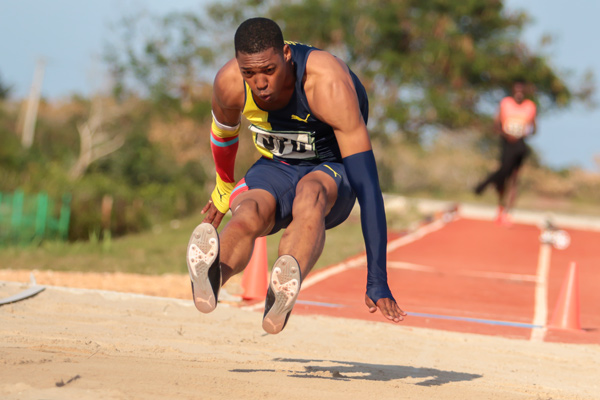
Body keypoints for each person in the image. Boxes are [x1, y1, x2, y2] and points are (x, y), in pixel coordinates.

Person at [186, 17, 405, 334]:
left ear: (286, 55)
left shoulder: (326, 82)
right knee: (248, 209)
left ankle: (284, 285)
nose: (259, 83)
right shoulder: (229, 82)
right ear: (238, 65)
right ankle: (213, 274)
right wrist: (223, 188)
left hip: (332, 171)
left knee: (310, 193)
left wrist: (377, 277)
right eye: (249, 73)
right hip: (277, 165)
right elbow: (223, 136)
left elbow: (368, 187)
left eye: (269, 71)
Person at [474, 80, 537, 226]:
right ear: (513, 91)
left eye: (522, 90)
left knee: (514, 177)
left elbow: (534, 127)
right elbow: (496, 123)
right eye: (517, 90)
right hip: (506, 142)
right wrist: (506, 134)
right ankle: (499, 205)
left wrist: (523, 133)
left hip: (520, 143)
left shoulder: (530, 106)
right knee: (503, 173)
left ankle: (508, 211)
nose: (519, 93)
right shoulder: (505, 103)